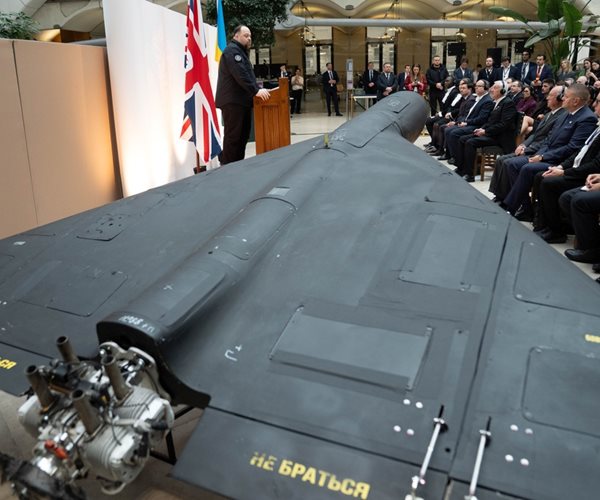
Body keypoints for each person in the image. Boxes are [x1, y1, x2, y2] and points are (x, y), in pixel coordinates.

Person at [215, 25, 271, 165]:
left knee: (242, 137)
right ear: (236, 36)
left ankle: (237, 166)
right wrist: (256, 90)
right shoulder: (232, 51)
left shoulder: (240, 51)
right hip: (233, 103)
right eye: (246, 36)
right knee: (234, 138)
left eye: (250, 36)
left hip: (241, 102)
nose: (249, 38)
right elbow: (241, 74)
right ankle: (228, 168)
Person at [453, 80, 517, 182]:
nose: (491, 90)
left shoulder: (508, 103)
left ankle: (470, 174)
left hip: (500, 137)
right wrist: (482, 128)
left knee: (470, 142)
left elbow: (503, 125)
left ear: (503, 91)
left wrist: (485, 131)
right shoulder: (496, 102)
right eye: (492, 87)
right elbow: (490, 121)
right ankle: (461, 169)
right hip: (491, 133)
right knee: (462, 139)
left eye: (495, 88)